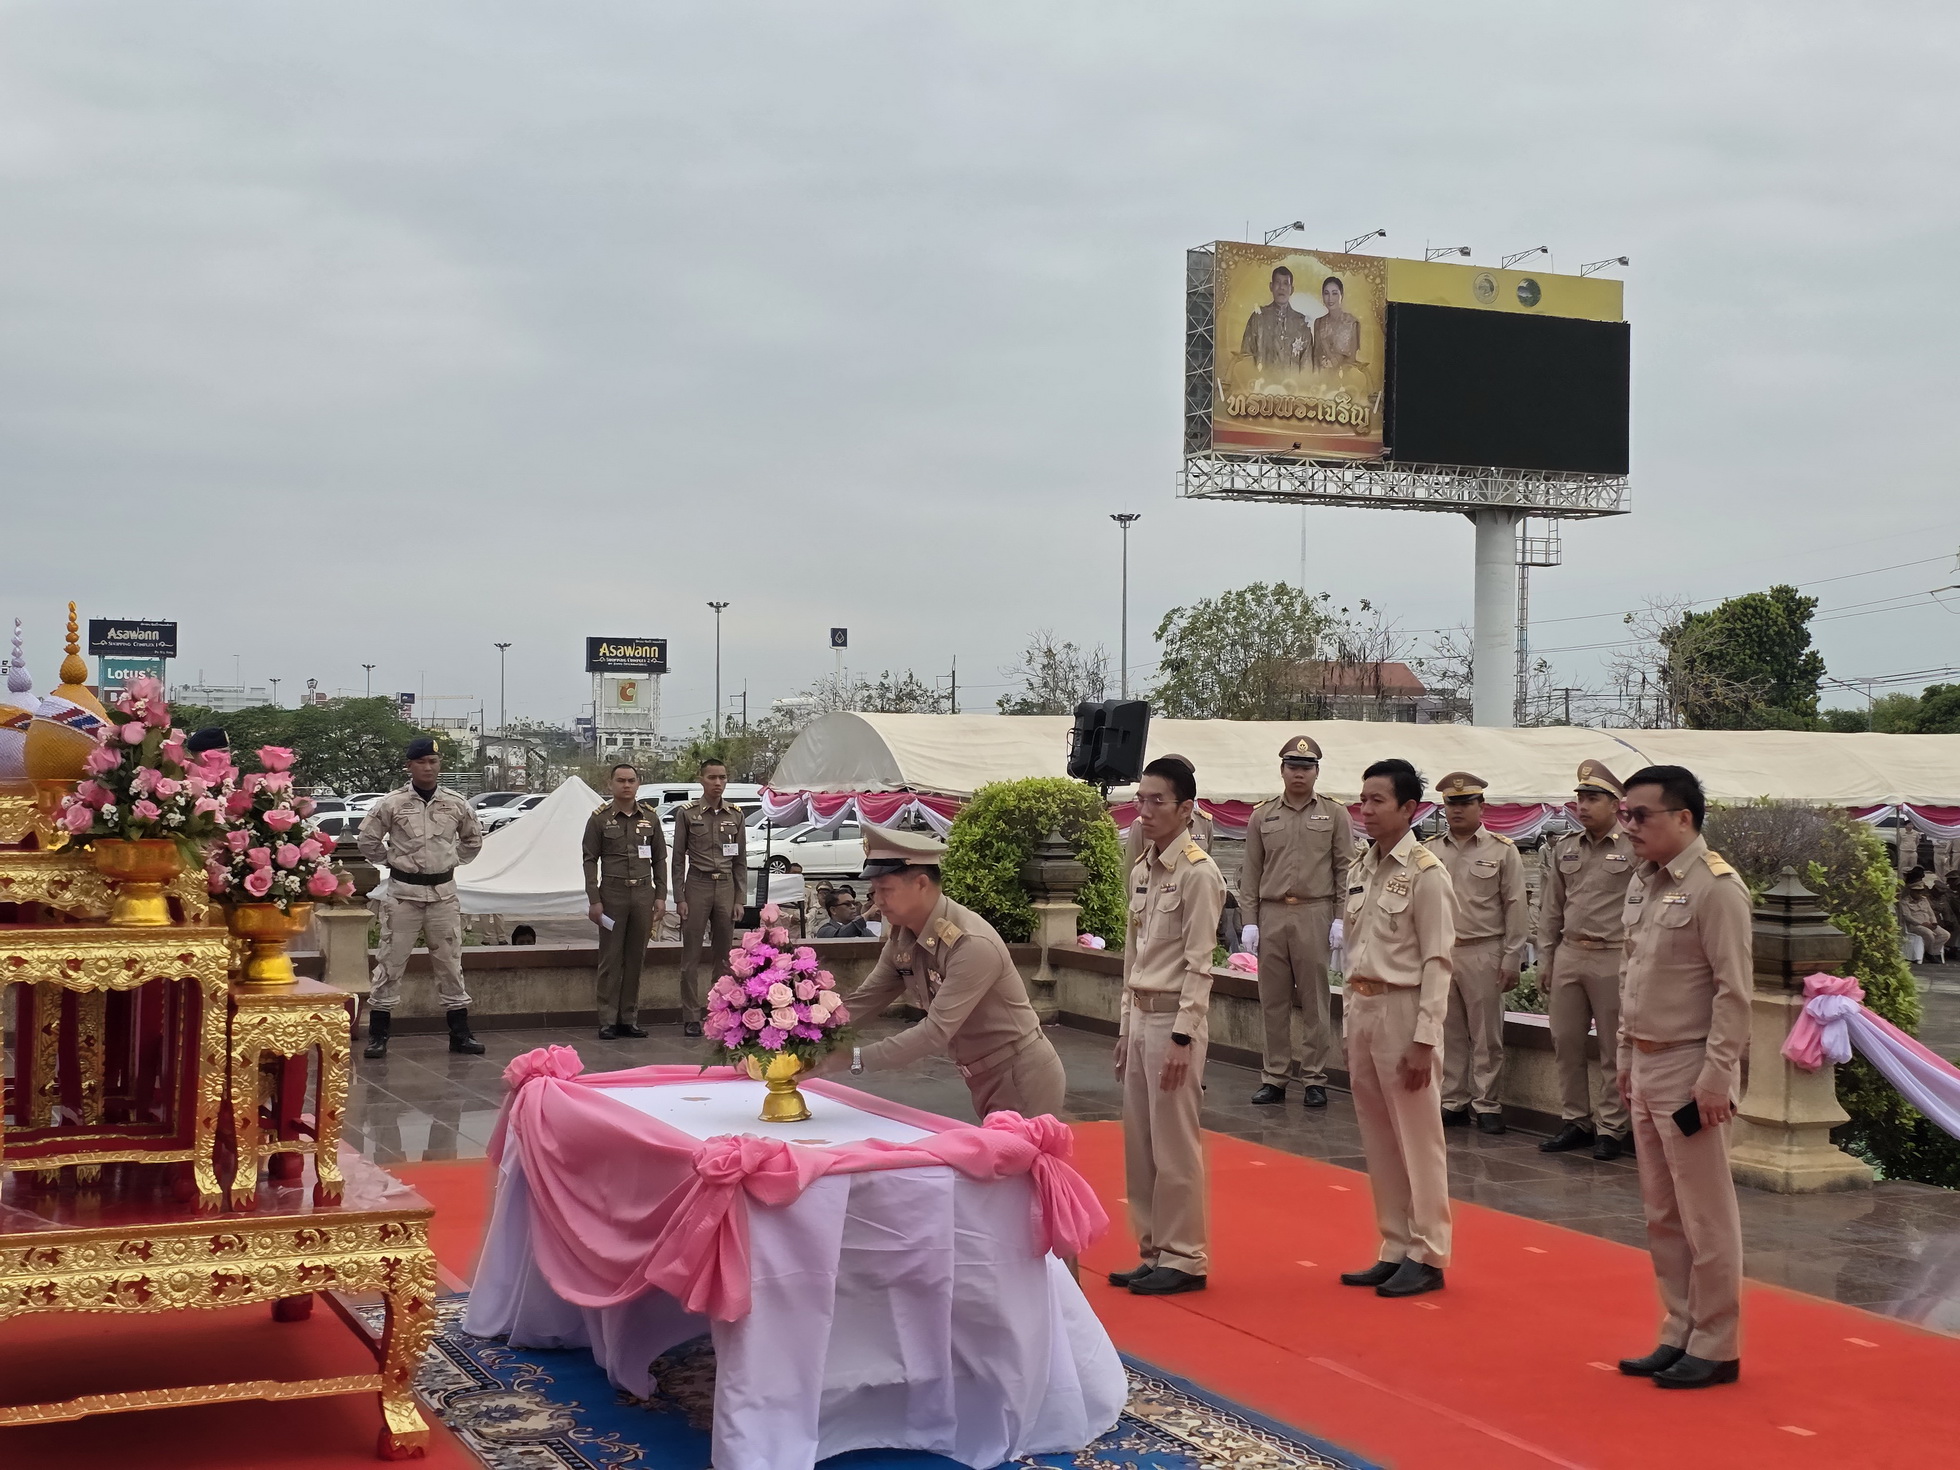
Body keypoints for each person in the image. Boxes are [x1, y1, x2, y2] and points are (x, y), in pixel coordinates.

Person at [1614, 764, 1750, 1389]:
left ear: (1683, 819)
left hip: (1690, 1064)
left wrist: (1717, 1076)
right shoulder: (1645, 884)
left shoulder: (1715, 889)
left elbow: (1733, 992)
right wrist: (1622, 1057)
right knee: (1661, 1212)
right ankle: (1679, 1329)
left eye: (1640, 816)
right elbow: (1632, 977)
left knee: (1705, 1215)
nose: (1629, 826)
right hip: (1645, 1060)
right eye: (1624, 815)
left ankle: (1717, 1343)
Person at [829, 825, 1066, 1121]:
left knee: (1020, 1165)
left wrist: (853, 1059)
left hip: (1020, 1073)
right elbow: (865, 1000)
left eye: (886, 890)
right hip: (980, 1074)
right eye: (874, 891)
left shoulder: (970, 943)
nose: (877, 901)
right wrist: (803, 1039)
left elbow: (935, 1032)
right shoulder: (903, 935)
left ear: (921, 883)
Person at [1108, 757, 1226, 1298]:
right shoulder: (1142, 870)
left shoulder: (1200, 874)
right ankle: (1152, 1247)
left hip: (1175, 1020)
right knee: (1141, 1142)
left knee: (1175, 1144)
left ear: (1185, 809)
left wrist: (1183, 1035)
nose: (1145, 810)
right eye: (1141, 798)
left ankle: (1185, 1256)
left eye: (1157, 801)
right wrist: (1124, 1027)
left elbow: (1201, 962)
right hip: (1141, 1018)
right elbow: (1134, 959)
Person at [1337, 758, 1454, 1299]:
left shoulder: (1427, 873)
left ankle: (1429, 1251)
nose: (1366, 809)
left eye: (1378, 800)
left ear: (1409, 809)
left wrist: (1425, 1037)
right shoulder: (1362, 867)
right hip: (1363, 1008)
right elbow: (1352, 950)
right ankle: (1394, 1243)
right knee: (1378, 1135)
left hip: (1404, 1011)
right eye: (1363, 799)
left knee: (1417, 1135)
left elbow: (1437, 960)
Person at [357, 737, 486, 1059]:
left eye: (433, 761)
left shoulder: (455, 803)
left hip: (443, 895)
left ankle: (460, 1034)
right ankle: (378, 1035)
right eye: (421, 762)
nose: (428, 768)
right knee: (390, 963)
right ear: (409, 766)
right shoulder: (392, 803)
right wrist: (392, 861)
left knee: (450, 964)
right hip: (403, 896)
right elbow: (367, 839)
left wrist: (450, 860)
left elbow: (473, 839)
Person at [1242, 735, 1352, 1109]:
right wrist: (1249, 921)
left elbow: (1344, 871)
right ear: (1282, 770)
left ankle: (1314, 1078)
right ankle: (1274, 1076)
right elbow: (1250, 873)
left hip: (1314, 911)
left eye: (1306, 768)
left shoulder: (1336, 814)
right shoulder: (1263, 814)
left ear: (1317, 772)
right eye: (1293, 767)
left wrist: (1340, 919)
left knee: (1315, 1001)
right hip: (1272, 913)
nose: (1299, 774)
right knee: (1272, 1001)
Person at [1538, 760, 1639, 1160]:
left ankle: (1612, 1128)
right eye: (1580, 797)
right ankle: (1575, 1120)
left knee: (1614, 1048)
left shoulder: (1634, 846)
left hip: (1613, 954)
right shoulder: (1566, 847)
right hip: (1569, 953)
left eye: (1593, 798)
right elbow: (1551, 909)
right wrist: (1546, 959)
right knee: (1565, 1042)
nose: (1583, 805)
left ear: (1616, 804)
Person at [1426, 771, 1526, 1134]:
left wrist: (1512, 955)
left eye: (1466, 803)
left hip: (1485, 949)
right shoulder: (1431, 851)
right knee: (1448, 1032)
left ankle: (1487, 1104)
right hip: (1443, 952)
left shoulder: (1502, 850)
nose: (1457, 810)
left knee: (1487, 1035)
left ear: (1481, 806)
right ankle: (1453, 1100)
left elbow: (1516, 905)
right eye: (1452, 803)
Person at [582, 762, 668, 1040]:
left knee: (636, 959)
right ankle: (607, 1019)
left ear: (638, 783)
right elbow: (589, 860)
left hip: (643, 894)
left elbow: (660, 860)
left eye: (631, 780)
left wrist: (661, 895)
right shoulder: (599, 819)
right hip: (613, 895)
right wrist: (594, 899)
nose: (626, 785)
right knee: (610, 959)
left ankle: (628, 1018)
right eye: (621, 780)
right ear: (611, 784)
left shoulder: (651, 818)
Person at [671, 758, 748, 1038]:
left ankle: (720, 1010)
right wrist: (679, 896)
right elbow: (678, 859)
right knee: (690, 954)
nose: (718, 783)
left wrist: (740, 898)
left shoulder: (736, 815)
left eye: (723, 777)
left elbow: (740, 860)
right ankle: (691, 1014)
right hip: (697, 885)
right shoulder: (688, 813)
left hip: (726, 886)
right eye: (712, 777)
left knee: (724, 955)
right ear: (701, 779)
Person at [1240, 265, 1313, 374]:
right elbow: (1246, 355)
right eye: (1277, 282)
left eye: (1285, 283)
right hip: (1262, 385)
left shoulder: (1301, 323)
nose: (1281, 287)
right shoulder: (1258, 318)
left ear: (1291, 289)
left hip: (1292, 387)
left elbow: (1306, 364)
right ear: (1271, 286)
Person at [1311, 275, 1361, 373]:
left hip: (1343, 379)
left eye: (1334, 293)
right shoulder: (1319, 322)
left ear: (1341, 294)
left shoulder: (1351, 322)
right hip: (1320, 380)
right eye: (1326, 293)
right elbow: (1315, 356)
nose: (1330, 298)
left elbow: (1352, 359)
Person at [1899, 870, 1949, 964]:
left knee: (1945, 934)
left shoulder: (1924, 900)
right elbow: (1907, 917)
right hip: (1915, 925)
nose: (1919, 894)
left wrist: (1934, 922)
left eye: (1920, 892)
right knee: (1929, 934)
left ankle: (1931, 952)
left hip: (1929, 923)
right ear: (1912, 891)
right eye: (1917, 892)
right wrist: (1922, 924)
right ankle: (1930, 954)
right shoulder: (1905, 902)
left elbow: (1931, 913)